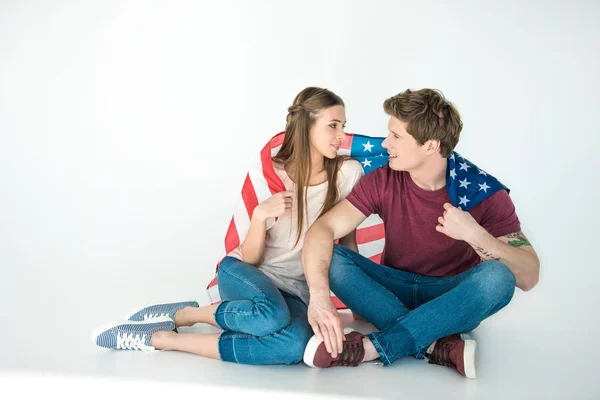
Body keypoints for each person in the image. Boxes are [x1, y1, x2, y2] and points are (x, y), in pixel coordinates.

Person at [91, 87, 364, 365]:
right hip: (245, 272)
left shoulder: (348, 173)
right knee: (271, 316)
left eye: (343, 125)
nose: (341, 136)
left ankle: (160, 336)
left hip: (294, 289)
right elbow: (251, 258)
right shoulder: (269, 173)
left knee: (295, 345)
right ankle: (186, 315)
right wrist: (259, 215)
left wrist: (359, 299)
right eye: (332, 126)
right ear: (306, 126)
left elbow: (347, 244)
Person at [301, 88, 540, 378]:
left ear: (430, 145)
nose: (387, 143)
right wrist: (319, 296)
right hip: (392, 288)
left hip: (450, 297)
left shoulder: (483, 192)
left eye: (397, 136)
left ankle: (374, 348)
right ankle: (434, 343)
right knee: (334, 258)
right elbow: (323, 230)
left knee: (499, 277)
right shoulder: (384, 179)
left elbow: (528, 276)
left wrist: (475, 235)